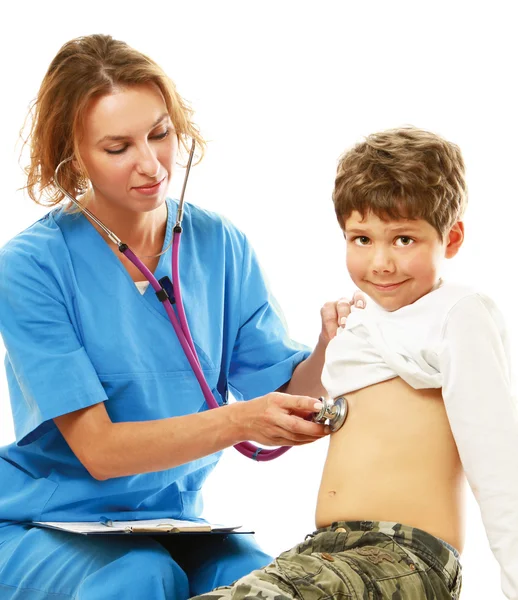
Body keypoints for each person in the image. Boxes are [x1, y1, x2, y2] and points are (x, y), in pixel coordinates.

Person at [0, 34, 358, 600]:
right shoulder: (31, 266)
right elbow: (100, 451)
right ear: (73, 156)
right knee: (142, 576)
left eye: (160, 134)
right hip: (41, 521)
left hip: (173, 522)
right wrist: (239, 421)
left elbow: (284, 391)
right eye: (118, 148)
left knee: (266, 582)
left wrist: (328, 352)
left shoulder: (219, 244)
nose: (150, 164)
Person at [190, 126, 518, 600]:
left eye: (403, 239)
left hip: (403, 555)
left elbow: (498, 462)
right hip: (327, 551)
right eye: (361, 239)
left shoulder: (459, 312)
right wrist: (327, 346)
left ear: (452, 238)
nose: (381, 262)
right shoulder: (357, 325)